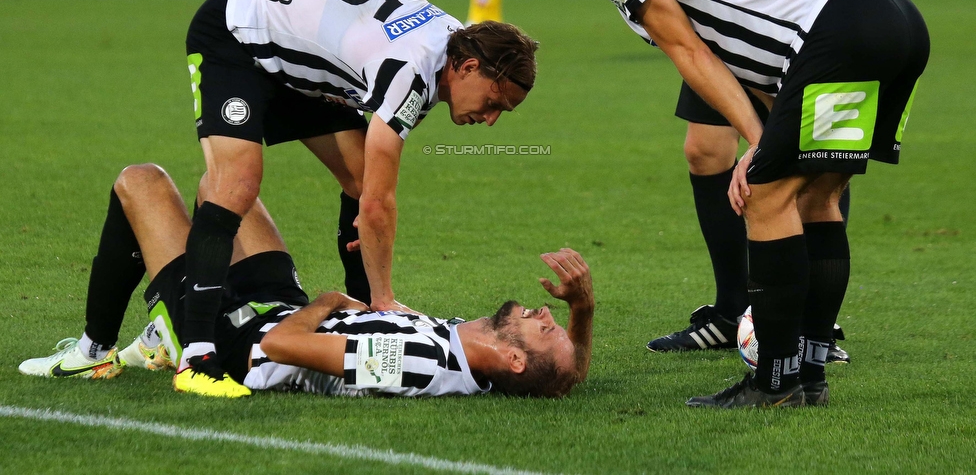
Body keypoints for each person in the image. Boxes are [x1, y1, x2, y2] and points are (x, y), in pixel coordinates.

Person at [527, 0, 928, 407]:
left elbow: (691, 53)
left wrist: (756, 143)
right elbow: (752, 50)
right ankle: (809, 374)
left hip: (837, 31)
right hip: (891, 15)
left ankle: (773, 383)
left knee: (764, 195)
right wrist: (764, 133)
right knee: (817, 196)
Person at [177, 0, 539, 396]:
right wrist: (388, 295)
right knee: (237, 181)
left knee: (361, 177)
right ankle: (195, 357)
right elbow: (378, 205)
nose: (492, 119)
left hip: (298, 62)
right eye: (494, 101)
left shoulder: (452, 46)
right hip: (237, 34)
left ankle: (365, 316)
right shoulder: (413, 72)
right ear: (469, 68)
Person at [642, 0, 906, 359]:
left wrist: (883, 6)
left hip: (820, 11)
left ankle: (815, 326)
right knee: (705, 150)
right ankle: (731, 308)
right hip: (736, 8)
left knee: (817, 172)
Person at [19, 164, 594, 399]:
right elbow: (567, 377)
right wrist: (583, 311)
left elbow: (282, 347)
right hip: (282, 305)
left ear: (514, 361)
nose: (546, 317)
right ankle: (159, 338)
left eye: (546, 330)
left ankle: (96, 351)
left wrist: (324, 300)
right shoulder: (469, 354)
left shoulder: (416, 363)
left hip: (240, 332)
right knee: (223, 187)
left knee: (140, 181)